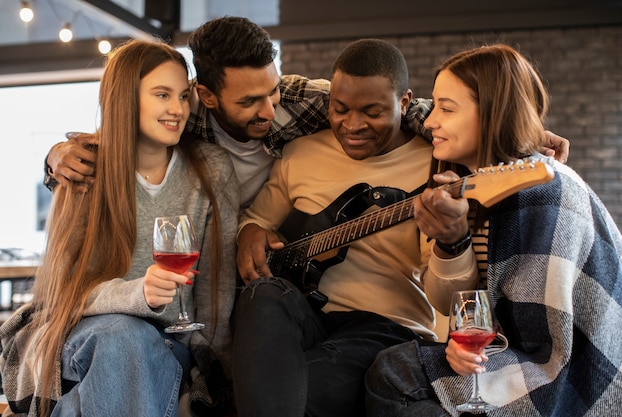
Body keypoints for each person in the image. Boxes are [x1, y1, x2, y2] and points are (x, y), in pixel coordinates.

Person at [42, 17, 570, 211]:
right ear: (205, 96)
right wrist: (55, 157)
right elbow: (104, 147)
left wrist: (514, 131)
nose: (269, 110)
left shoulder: (305, 97)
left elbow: (406, 110)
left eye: (271, 91)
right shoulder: (184, 115)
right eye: (248, 102)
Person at [364, 44, 622, 417]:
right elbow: (464, 305)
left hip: (584, 379)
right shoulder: (467, 187)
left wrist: (481, 346)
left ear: (493, 114)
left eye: (446, 108)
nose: (429, 121)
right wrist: (451, 243)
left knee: (394, 373)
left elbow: (543, 341)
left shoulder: (543, 194)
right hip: (517, 352)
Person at [0, 39, 239, 416]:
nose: (177, 109)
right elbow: (65, 291)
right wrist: (137, 295)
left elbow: (217, 294)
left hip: (167, 344)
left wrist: (212, 379)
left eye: (182, 95)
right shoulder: (82, 169)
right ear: (126, 97)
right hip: (87, 338)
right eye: (162, 94)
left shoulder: (211, 170)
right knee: (122, 335)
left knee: (113, 367)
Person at [232, 38, 461, 417]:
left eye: (371, 111)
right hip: (307, 316)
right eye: (340, 109)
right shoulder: (301, 151)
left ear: (404, 103)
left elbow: (444, 296)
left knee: (290, 391)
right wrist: (249, 232)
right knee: (261, 294)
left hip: (386, 328)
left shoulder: (434, 169)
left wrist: (449, 240)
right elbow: (257, 217)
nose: (351, 125)